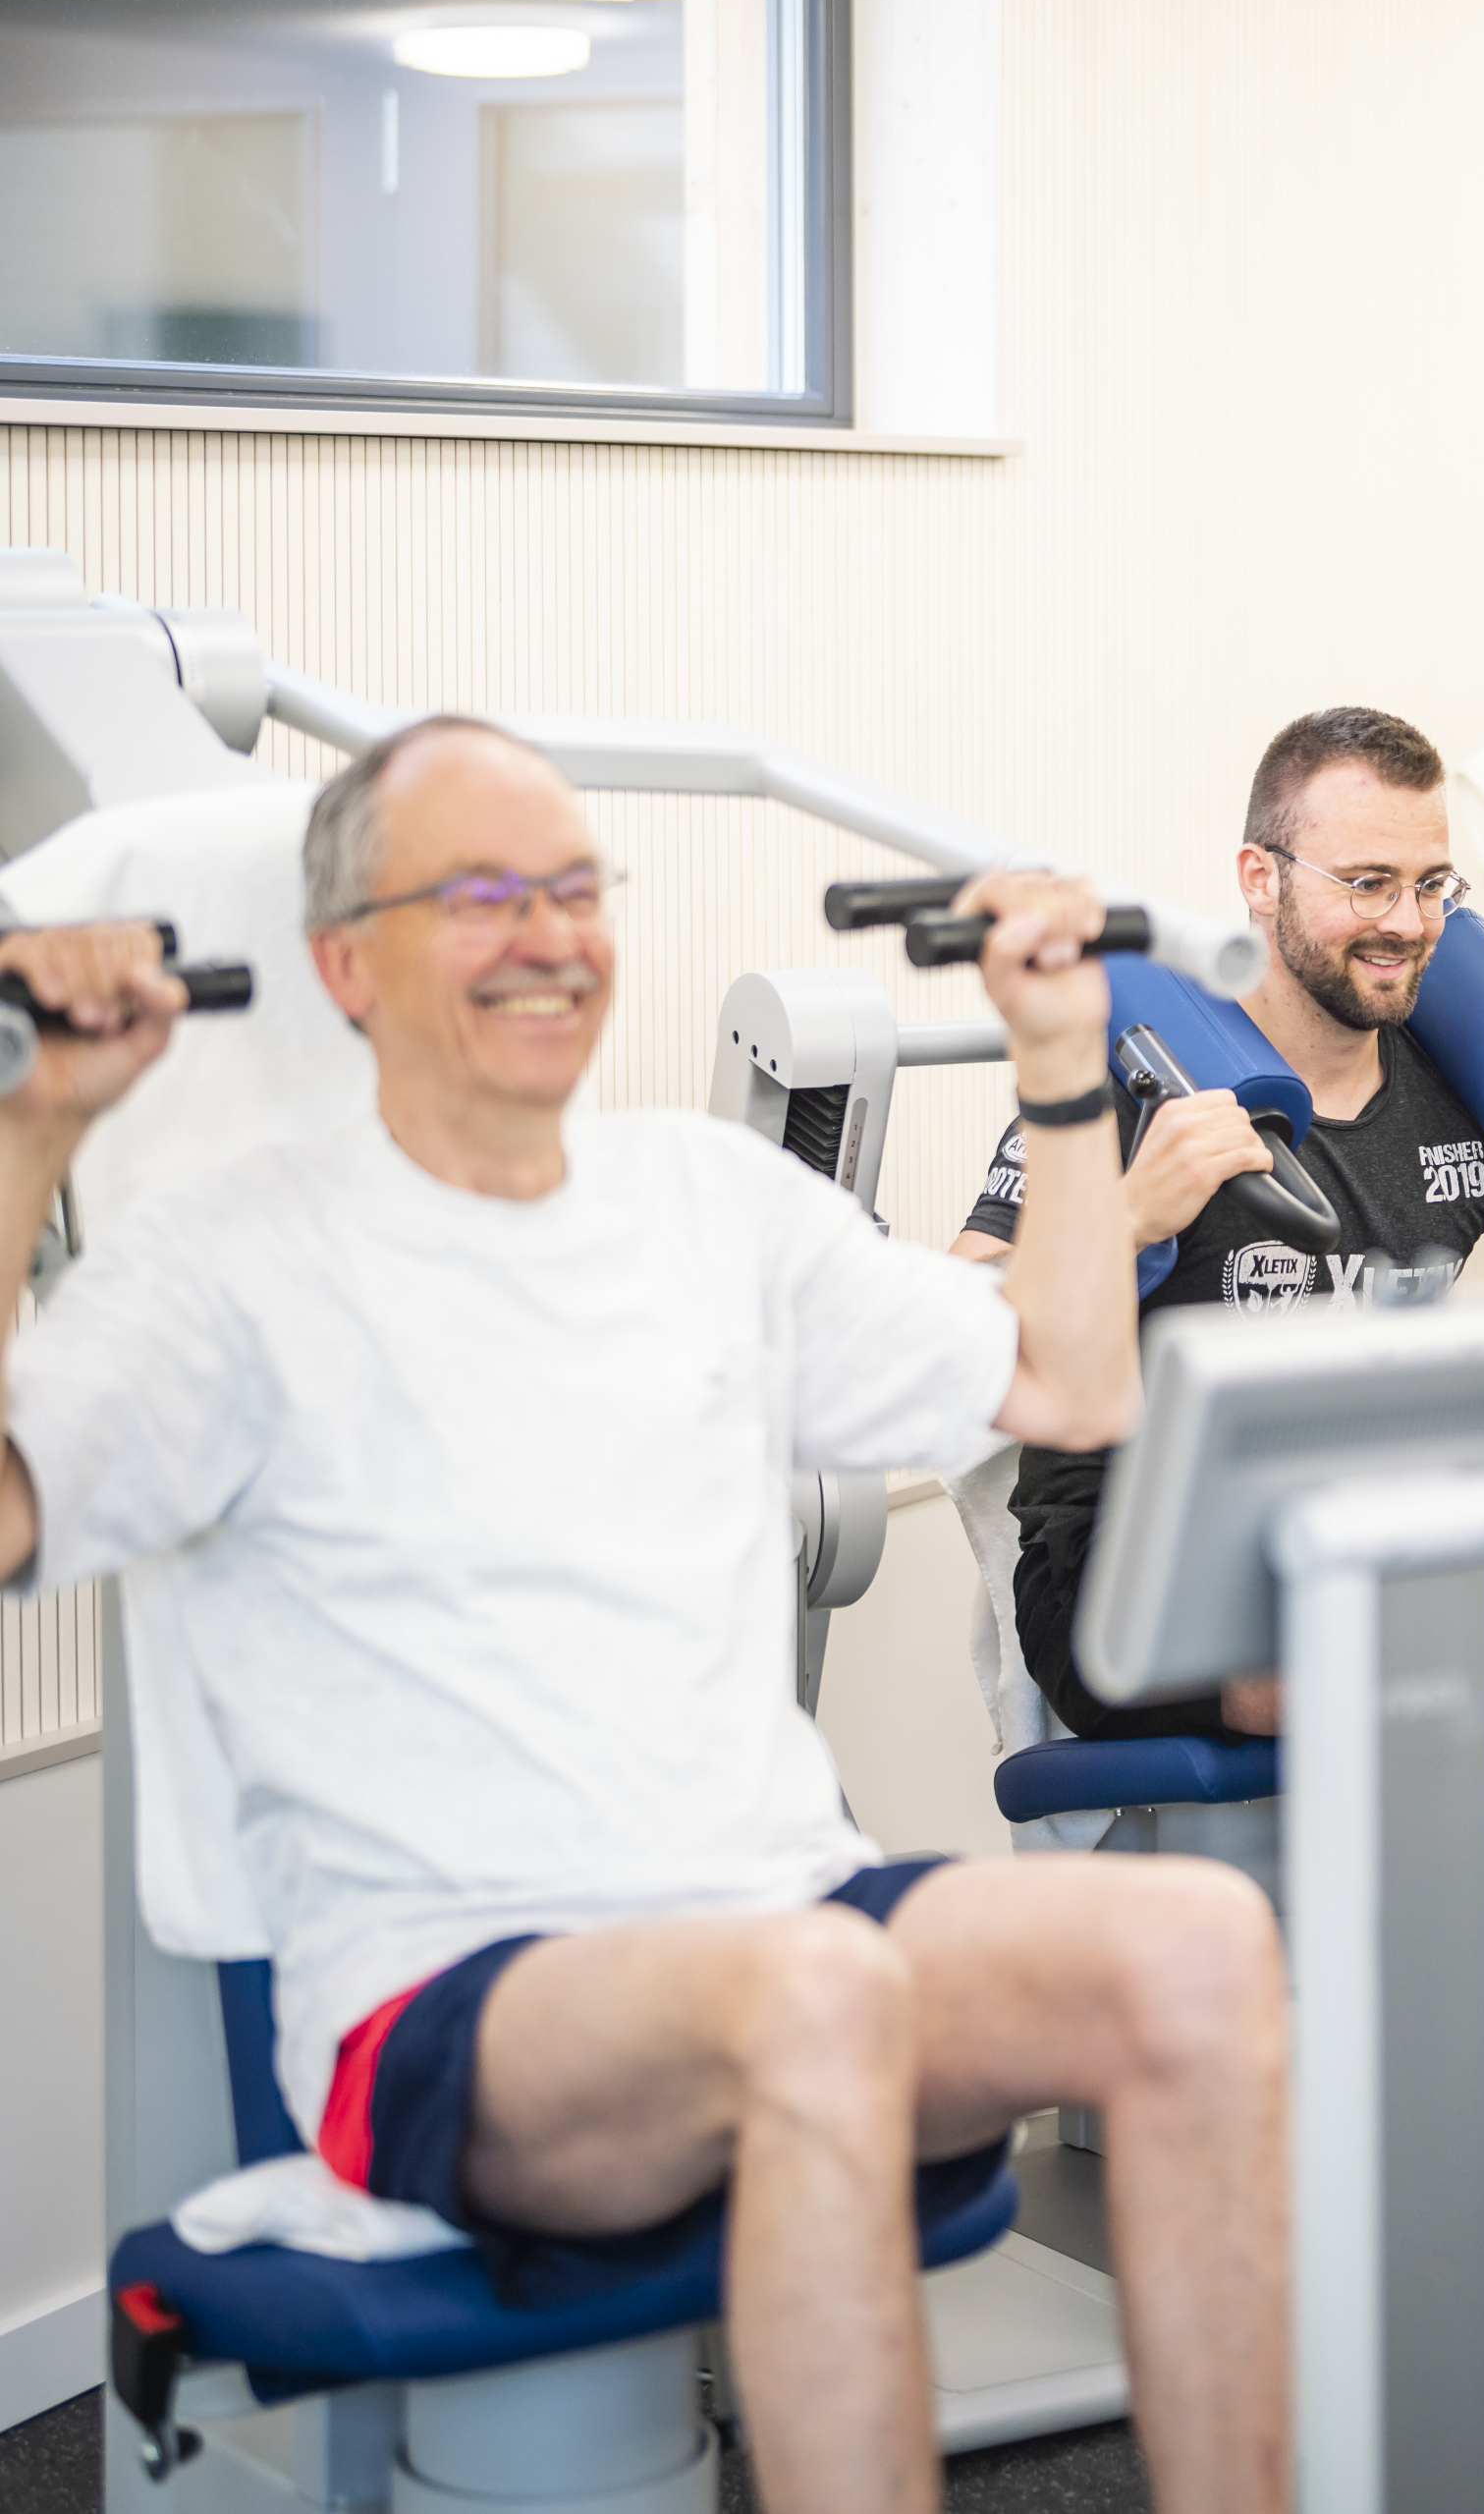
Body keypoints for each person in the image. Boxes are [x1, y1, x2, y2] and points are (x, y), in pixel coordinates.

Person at [0, 720, 1287, 2514]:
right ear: (343, 965)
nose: (548, 933)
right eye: (478, 895)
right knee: (823, 1995)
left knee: (1197, 1948)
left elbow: (1069, 1378)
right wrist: (37, 1115)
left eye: (574, 887)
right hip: (450, 1995)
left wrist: (1063, 1060)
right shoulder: (229, 1263)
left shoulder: (710, 1202)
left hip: (779, 1911)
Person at [953, 707, 1484, 2196]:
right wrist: (1132, 1215)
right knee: (1377, 1639)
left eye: (1433, 885)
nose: (1405, 923)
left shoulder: (1465, 1066)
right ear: (1260, 877)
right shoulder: (1133, 1065)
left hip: (1406, 1526)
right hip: (1139, 1567)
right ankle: (1450, 2116)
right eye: (1365, 882)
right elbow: (959, 1328)